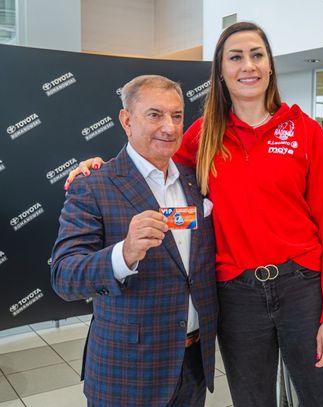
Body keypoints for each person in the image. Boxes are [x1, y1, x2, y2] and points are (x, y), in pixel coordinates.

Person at [67, 22, 323, 407]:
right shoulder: (202, 135)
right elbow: (156, 176)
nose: (247, 65)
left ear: (270, 65)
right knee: (252, 400)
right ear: (221, 70)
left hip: (302, 287)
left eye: (257, 55)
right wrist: (100, 167)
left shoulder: (306, 132)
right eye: (235, 57)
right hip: (236, 295)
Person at [52, 75, 217, 407]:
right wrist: (123, 254)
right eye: (155, 115)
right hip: (127, 371)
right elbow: (64, 277)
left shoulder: (195, 181)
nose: (169, 127)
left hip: (193, 367)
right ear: (126, 120)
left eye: (177, 115)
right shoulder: (94, 185)